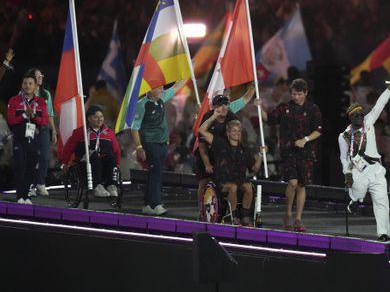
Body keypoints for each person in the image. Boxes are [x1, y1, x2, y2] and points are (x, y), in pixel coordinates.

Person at [338, 72, 390, 242]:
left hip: (376, 169)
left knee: (382, 201)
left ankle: (383, 234)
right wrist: (347, 173)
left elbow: (380, 104)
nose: (359, 117)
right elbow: (344, 158)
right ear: (350, 117)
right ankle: (354, 200)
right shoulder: (344, 136)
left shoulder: (369, 122)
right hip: (358, 170)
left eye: (360, 114)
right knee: (357, 192)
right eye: (356, 115)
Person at [267, 78, 322, 232]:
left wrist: (305, 140)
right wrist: (259, 108)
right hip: (288, 151)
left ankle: (298, 219)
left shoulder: (313, 109)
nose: (296, 97)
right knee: (292, 183)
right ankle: (288, 213)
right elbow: (270, 120)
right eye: (293, 94)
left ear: (305, 93)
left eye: (299, 94)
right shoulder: (284, 108)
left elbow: (318, 130)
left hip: (306, 152)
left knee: (302, 185)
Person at [194, 89, 259, 215]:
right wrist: (207, 164)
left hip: (223, 153)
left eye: (225, 104)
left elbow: (237, 136)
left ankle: (234, 212)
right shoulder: (208, 117)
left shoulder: (231, 117)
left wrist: (253, 87)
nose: (223, 107)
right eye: (220, 105)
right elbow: (202, 144)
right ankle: (202, 209)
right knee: (203, 181)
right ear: (214, 106)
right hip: (207, 151)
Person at [130, 79, 187, 216]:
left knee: (154, 173)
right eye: (159, 87)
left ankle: (148, 204)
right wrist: (139, 147)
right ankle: (156, 204)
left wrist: (186, 73)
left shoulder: (162, 98)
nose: (162, 89)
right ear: (150, 90)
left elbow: (177, 85)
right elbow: (134, 127)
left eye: (162, 87)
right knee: (155, 174)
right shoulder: (141, 105)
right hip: (150, 143)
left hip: (163, 143)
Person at [198, 113, 266, 226]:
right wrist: (214, 116)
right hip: (222, 180)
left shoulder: (244, 149)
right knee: (233, 187)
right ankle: (233, 215)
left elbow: (254, 169)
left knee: (248, 187)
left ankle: (245, 215)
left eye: (238, 131)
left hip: (239, 179)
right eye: (234, 131)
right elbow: (202, 130)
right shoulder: (220, 143)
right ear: (228, 133)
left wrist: (260, 154)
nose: (237, 133)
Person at [60, 105, 122, 197]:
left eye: (101, 117)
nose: (99, 119)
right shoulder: (80, 132)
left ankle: (111, 185)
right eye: (96, 117)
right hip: (85, 162)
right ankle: (97, 186)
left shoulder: (109, 132)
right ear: (89, 118)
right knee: (93, 155)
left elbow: (116, 149)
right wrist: (64, 163)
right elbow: (68, 148)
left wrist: (117, 163)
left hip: (104, 161)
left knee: (111, 156)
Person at [6, 72, 49, 204]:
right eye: (25, 83)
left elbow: (45, 121)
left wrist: (34, 117)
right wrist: (25, 115)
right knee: (20, 167)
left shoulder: (41, 102)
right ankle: (20, 195)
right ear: (21, 85)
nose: (27, 86)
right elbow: (11, 120)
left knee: (31, 168)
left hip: (34, 138)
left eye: (30, 83)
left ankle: (27, 196)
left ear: (35, 86)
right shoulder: (14, 100)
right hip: (19, 137)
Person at [29, 68, 56, 197]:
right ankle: (30, 185)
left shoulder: (46, 94)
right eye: (37, 75)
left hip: (44, 127)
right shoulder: (25, 92)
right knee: (31, 156)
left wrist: (54, 131)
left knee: (45, 157)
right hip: (30, 127)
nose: (40, 77)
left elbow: (50, 113)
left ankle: (40, 183)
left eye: (41, 75)